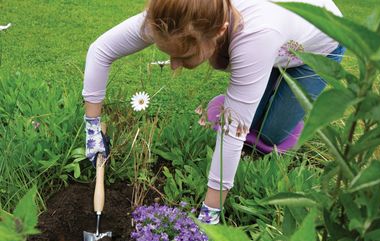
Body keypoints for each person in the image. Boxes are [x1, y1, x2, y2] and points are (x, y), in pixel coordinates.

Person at [83, 0, 345, 226]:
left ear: (219, 33)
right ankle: (250, 94)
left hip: (317, 48)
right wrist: (92, 128)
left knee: (271, 133)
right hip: (271, 46)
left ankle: (258, 101)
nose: (174, 65)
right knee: (250, 109)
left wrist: (210, 214)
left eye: (183, 56)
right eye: (169, 54)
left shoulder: (255, 34)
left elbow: (233, 131)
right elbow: (101, 50)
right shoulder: (175, 15)